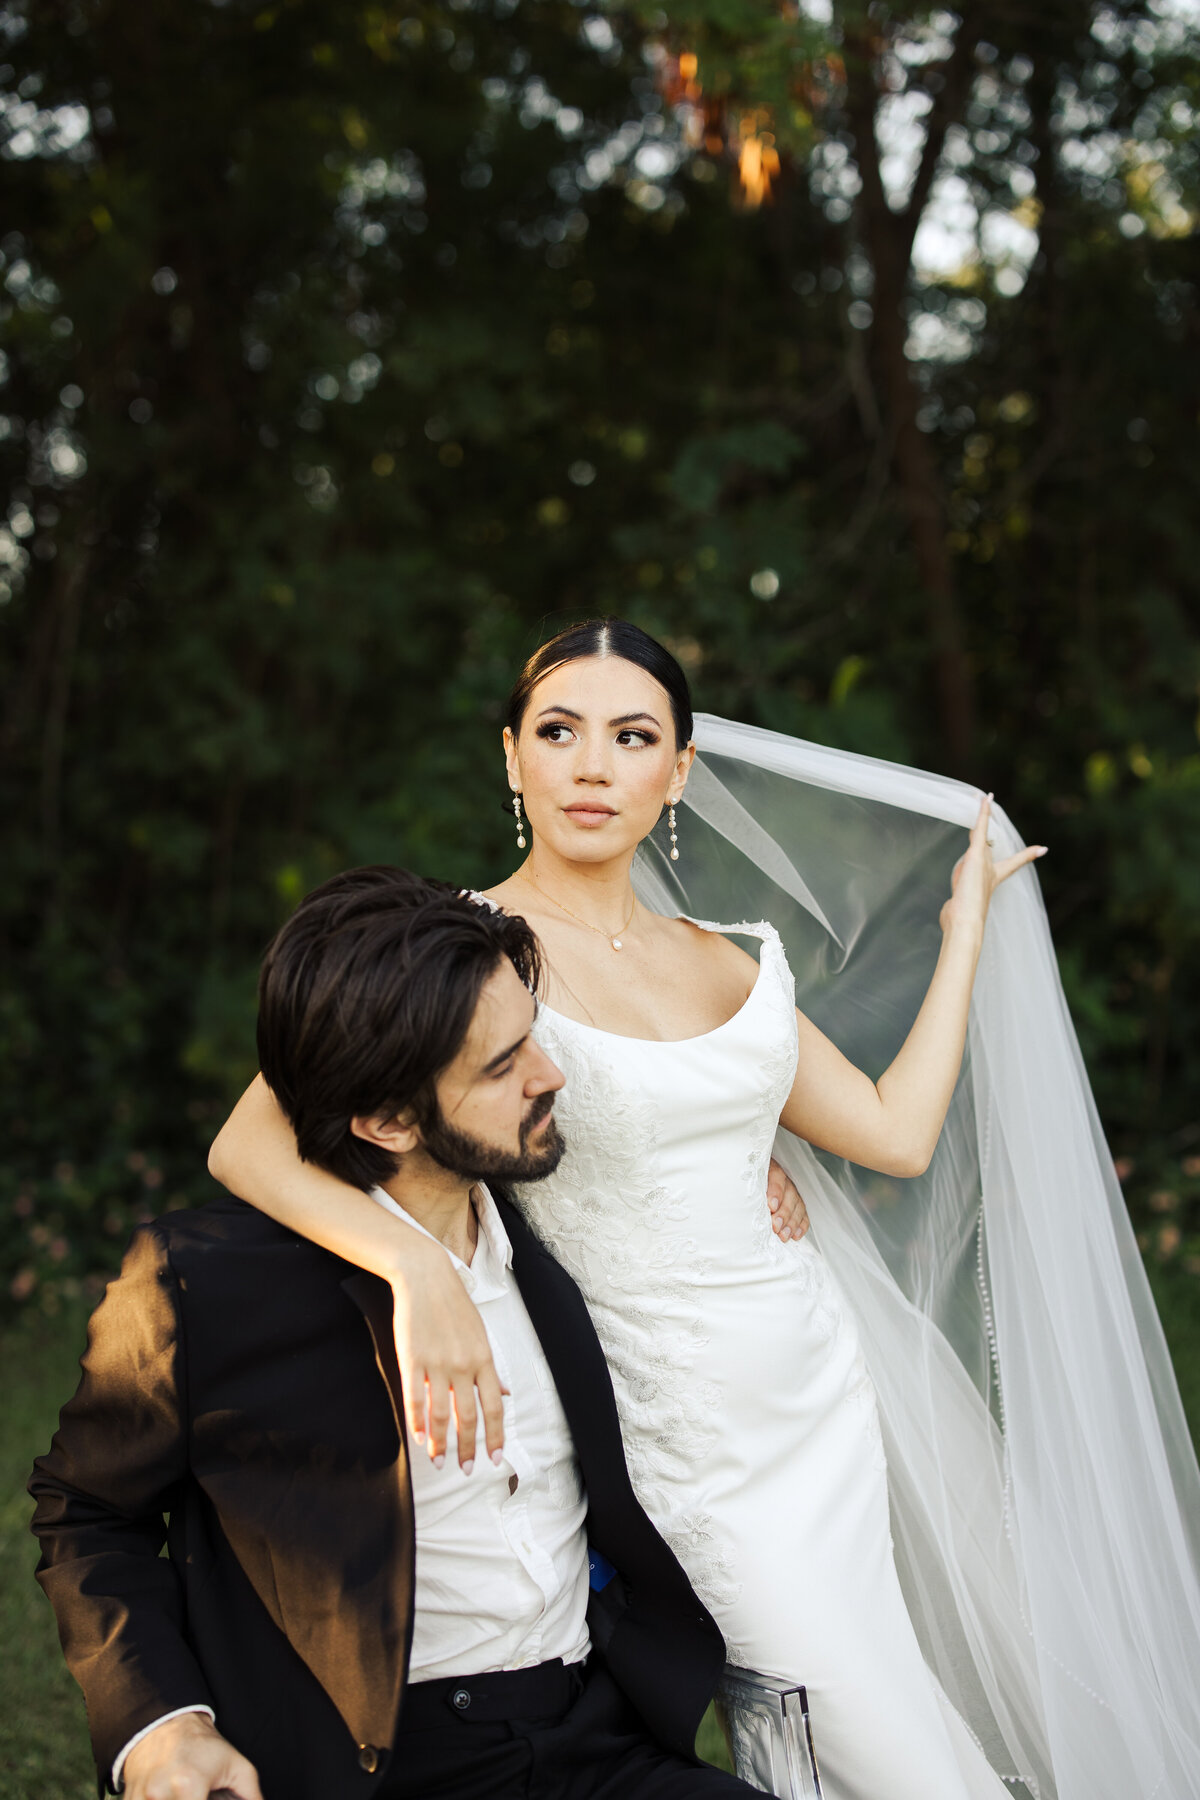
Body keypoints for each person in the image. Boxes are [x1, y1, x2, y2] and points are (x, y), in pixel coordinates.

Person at [210, 620, 1200, 1800]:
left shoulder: (733, 960)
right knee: (886, 1751)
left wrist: (964, 933)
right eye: (559, 732)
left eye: (633, 738)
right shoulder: (458, 949)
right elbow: (247, 1141)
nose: (593, 766)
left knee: (828, 1737)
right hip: (673, 1430)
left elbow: (893, 1132)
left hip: (815, 1393)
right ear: (511, 757)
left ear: (679, 770)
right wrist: (415, 1267)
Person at [30, 868, 768, 1800]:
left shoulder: (556, 1231)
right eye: (502, 1066)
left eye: (532, 1033)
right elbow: (88, 1510)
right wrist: (162, 1728)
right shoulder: (210, 1283)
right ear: (385, 1120)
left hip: (598, 1742)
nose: (551, 1074)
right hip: (386, 1766)